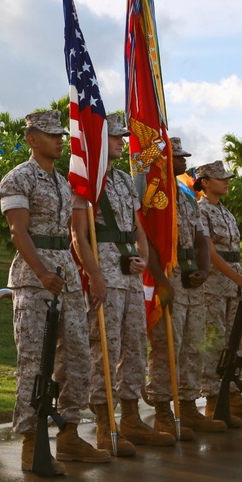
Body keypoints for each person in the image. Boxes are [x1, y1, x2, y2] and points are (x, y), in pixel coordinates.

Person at [0, 109, 109, 475]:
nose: (60, 140)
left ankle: (70, 436)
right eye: (50, 134)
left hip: (66, 277)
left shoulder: (65, 183)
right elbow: (19, 233)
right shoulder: (17, 179)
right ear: (32, 139)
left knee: (78, 358)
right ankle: (33, 445)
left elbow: (75, 234)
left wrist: (88, 274)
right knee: (35, 364)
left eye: (60, 134)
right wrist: (43, 272)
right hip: (35, 280)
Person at [72, 112, 175, 458]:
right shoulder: (88, 182)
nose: (121, 143)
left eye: (121, 137)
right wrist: (94, 275)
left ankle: (130, 416)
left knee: (134, 344)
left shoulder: (121, 181)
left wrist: (144, 261)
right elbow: (79, 235)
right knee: (106, 346)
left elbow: (137, 227)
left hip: (130, 275)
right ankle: (105, 423)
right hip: (106, 275)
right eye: (116, 138)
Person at [145, 138, 226, 439]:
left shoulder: (187, 197)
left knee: (194, 345)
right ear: (165, 159)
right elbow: (151, 241)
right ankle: (163, 411)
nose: (183, 162)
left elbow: (201, 238)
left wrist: (204, 270)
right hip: (169, 276)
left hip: (192, 278)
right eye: (178, 157)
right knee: (168, 345)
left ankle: (189, 406)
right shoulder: (155, 196)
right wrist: (161, 280)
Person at [195, 160, 242, 424]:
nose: (226, 181)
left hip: (233, 289)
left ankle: (234, 396)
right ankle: (214, 400)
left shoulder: (227, 213)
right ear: (205, 182)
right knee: (214, 344)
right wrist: (237, 277)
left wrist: (238, 280)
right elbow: (210, 252)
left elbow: (232, 251)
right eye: (220, 178)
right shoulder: (200, 211)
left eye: (227, 177)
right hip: (213, 287)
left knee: (237, 341)